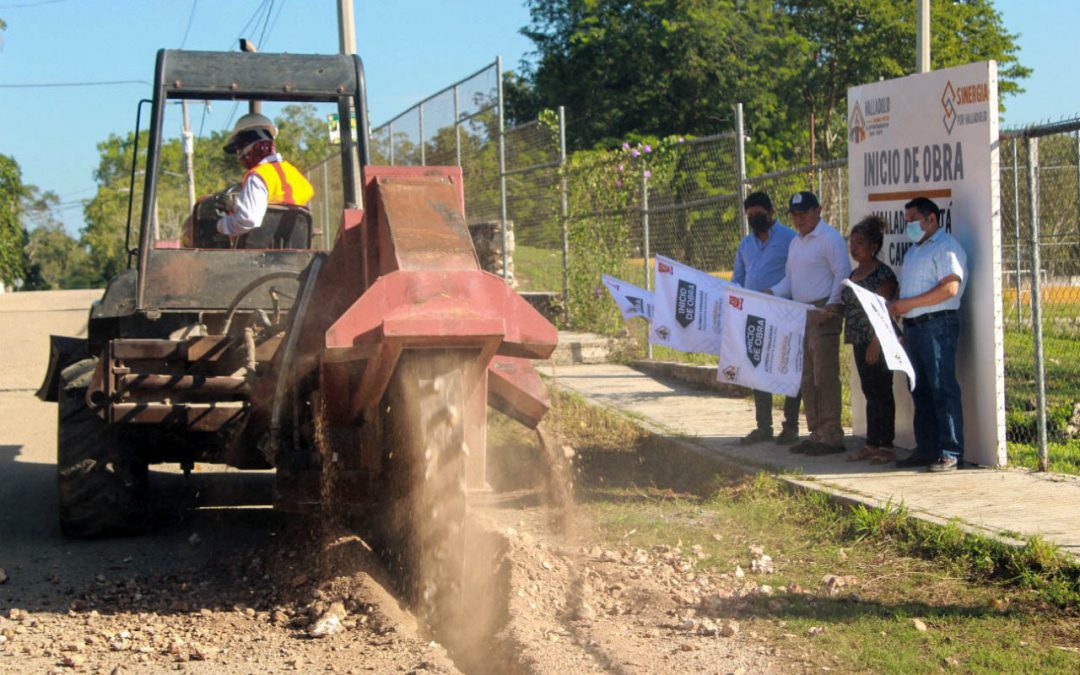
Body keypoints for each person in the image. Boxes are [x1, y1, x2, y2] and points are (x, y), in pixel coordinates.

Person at [769, 191, 851, 456]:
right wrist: (770, 293)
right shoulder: (796, 243)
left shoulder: (829, 238)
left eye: (803, 213)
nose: (798, 218)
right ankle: (816, 432)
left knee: (824, 376)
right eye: (794, 214)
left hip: (823, 311)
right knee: (806, 377)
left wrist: (831, 307)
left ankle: (831, 435)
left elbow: (842, 273)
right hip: (801, 313)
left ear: (818, 211)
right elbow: (789, 281)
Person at [888, 197, 967, 472]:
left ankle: (950, 451)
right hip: (914, 329)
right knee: (920, 390)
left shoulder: (946, 248)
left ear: (931, 219)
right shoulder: (913, 252)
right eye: (906, 221)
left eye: (912, 220)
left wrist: (906, 305)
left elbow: (950, 289)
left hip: (937, 326)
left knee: (942, 388)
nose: (908, 226)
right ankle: (927, 449)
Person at [732, 192, 801, 446]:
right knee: (757, 369)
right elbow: (737, 278)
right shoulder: (745, 245)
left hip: (785, 315)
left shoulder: (790, 239)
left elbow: (796, 274)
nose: (754, 219)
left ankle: (791, 426)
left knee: (788, 368)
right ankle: (764, 427)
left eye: (758, 214)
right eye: (750, 215)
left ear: (771, 212)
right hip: (754, 315)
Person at [841, 216, 899, 464]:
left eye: (859, 243)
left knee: (882, 391)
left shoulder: (883, 274)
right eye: (851, 242)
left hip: (877, 341)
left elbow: (885, 311)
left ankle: (886, 445)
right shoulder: (854, 273)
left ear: (874, 246)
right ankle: (871, 443)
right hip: (858, 340)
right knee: (869, 391)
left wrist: (877, 343)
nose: (854, 247)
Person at [216, 112, 315, 239]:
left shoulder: (258, 176)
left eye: (240, 149)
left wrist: (220, 225)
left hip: (260, 253)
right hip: (296, 250)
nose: (240, 156)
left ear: (254, 145)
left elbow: (248, 219)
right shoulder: (296, 176)